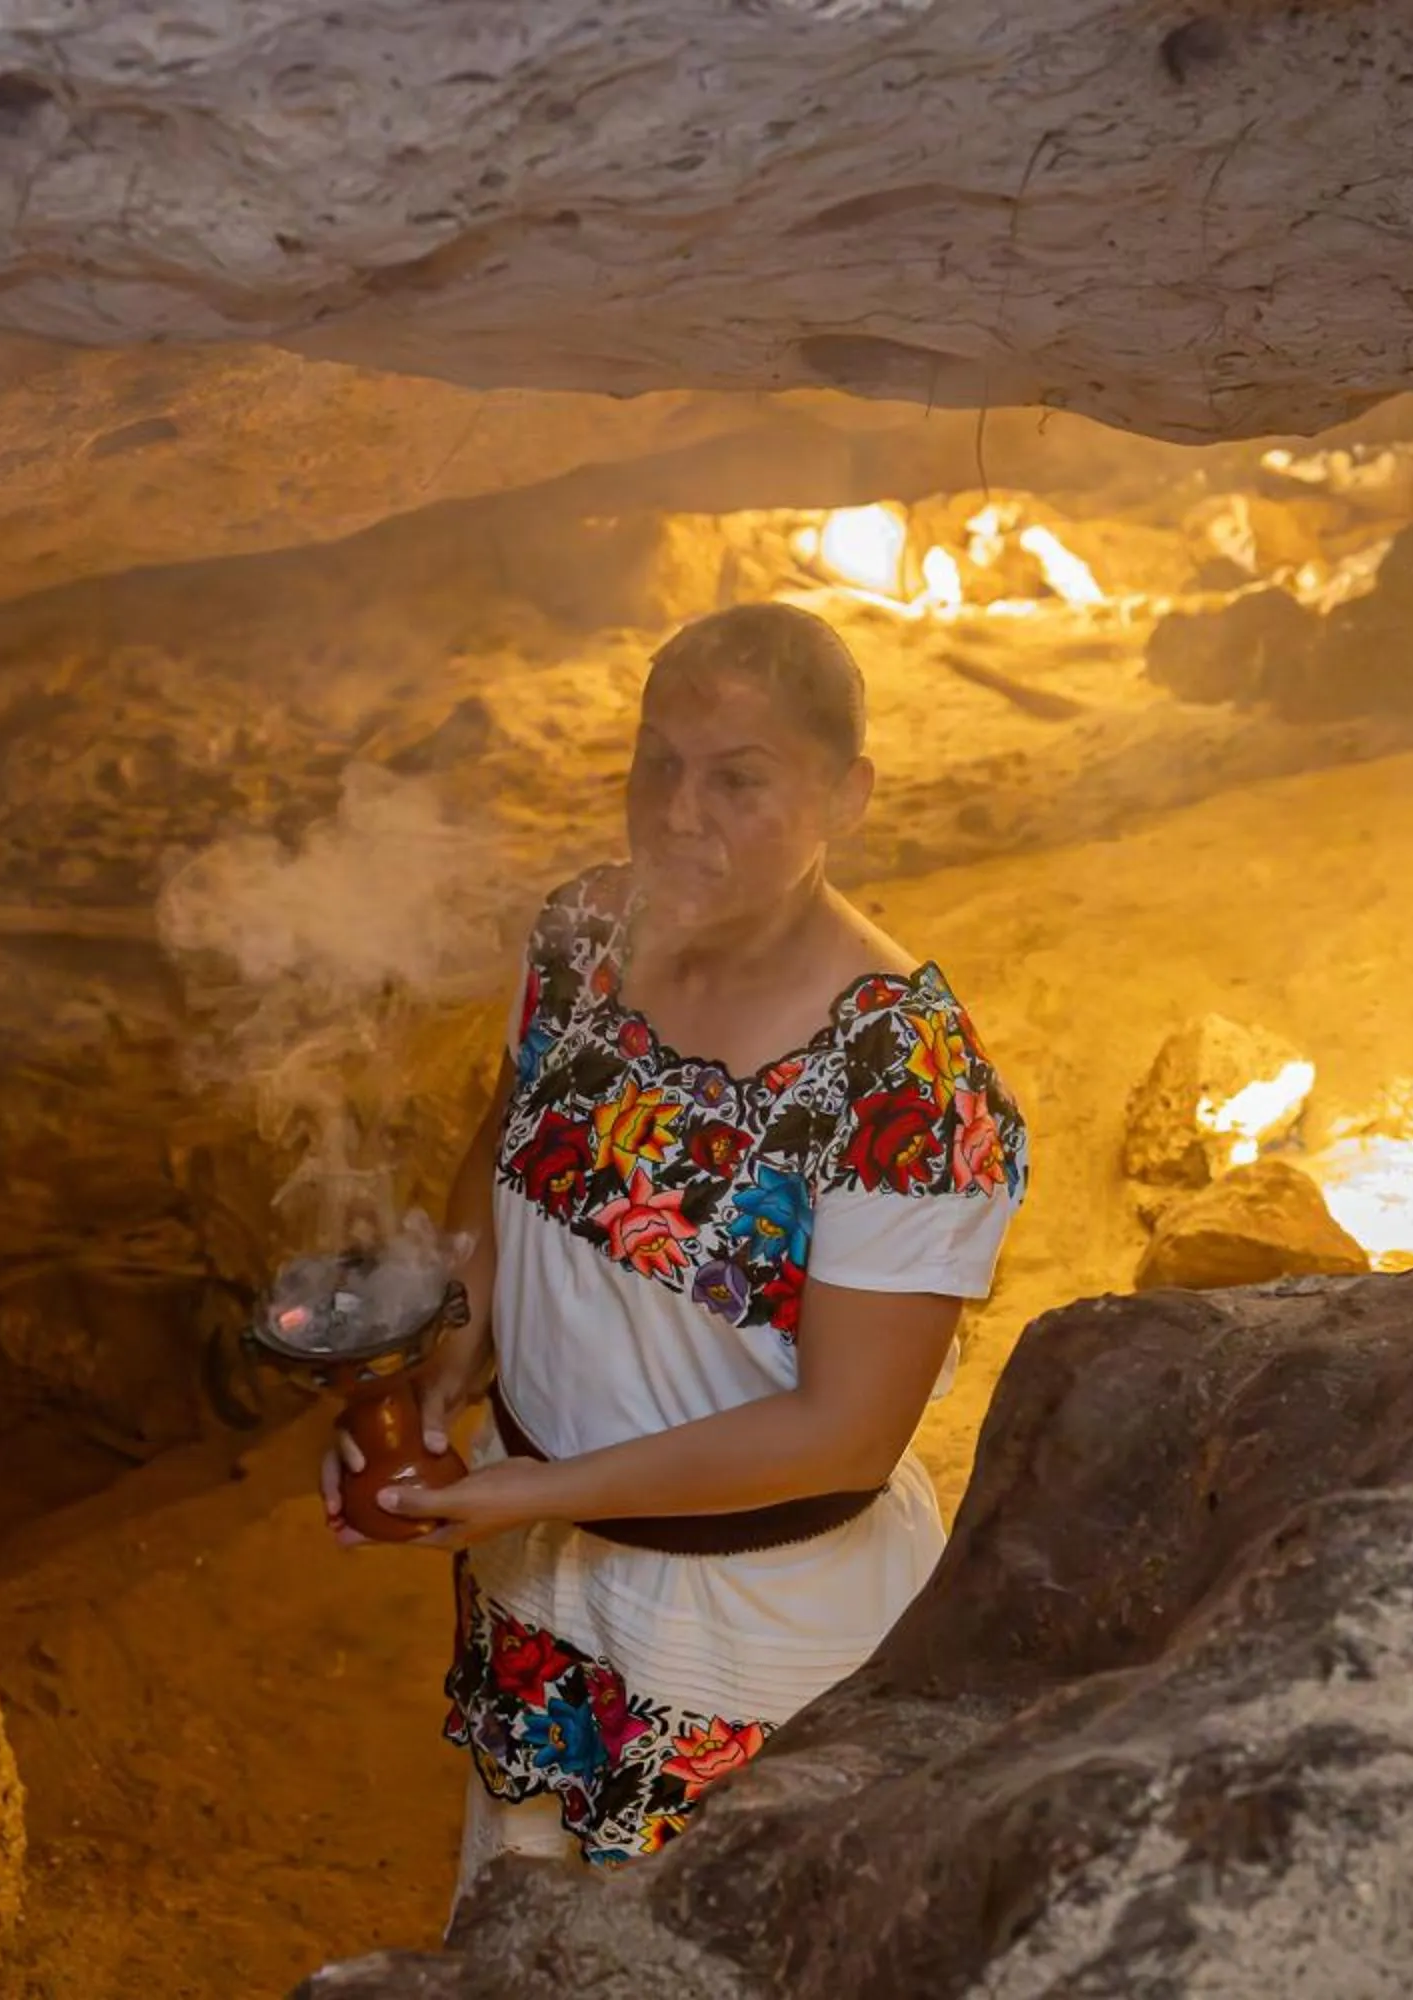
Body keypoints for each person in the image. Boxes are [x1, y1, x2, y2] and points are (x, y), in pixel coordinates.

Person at [318, 601, 1029, 1906]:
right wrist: (442, 1376)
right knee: (522, 1944)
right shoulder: (583, 935)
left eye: (738, 780)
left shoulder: (902, 1082)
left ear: (848, 795)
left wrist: (540, 1491)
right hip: (541, 1589)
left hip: (748, 1644)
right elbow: (506, 1150)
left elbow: (844, 1435)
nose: (678, 813)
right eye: (658, 762)